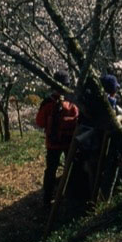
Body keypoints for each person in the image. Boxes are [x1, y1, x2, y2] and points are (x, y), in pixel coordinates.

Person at [36, 71, 80, 207]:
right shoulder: (72, 103)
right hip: (69, 143)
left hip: (53, 143)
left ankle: (47, 199)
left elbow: (39, 122)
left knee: (51, 170)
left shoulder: (48, 103)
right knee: (70, 168)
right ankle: (70, 196)